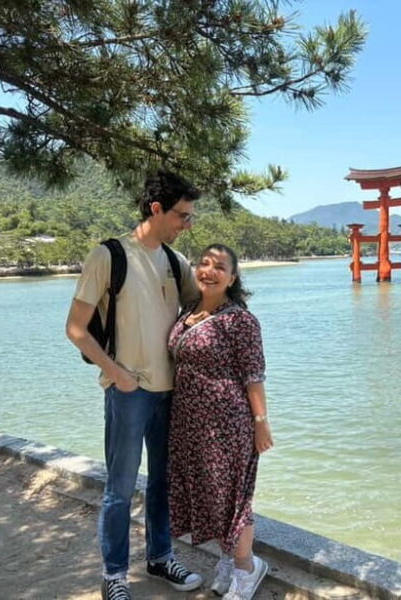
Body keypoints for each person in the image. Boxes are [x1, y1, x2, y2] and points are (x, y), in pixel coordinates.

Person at [65, 170, 203, 600]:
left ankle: (160, 558)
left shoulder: (176, 263)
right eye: (182, 215)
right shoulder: (108, 255)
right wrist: (118, 373)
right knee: (120, 489)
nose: (187, 225)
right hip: (128, 392)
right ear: (156, 209)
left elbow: (203, 310)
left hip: (170, 393)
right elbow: (75, 329)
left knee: (162, 483)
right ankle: (114, 576)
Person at [166, 243, 274, 600]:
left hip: (228, 425)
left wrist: (261, 421)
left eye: (220, 267)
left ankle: (247, 570)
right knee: (211, 497)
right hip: (191, 425)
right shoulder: (188, 312)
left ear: (232, 277)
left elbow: (254, 376)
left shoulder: (240, 321)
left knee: (234, 500)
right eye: (205, 263)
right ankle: (230, 559)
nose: (209, 271)